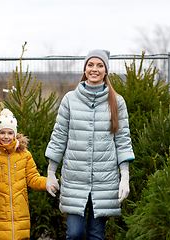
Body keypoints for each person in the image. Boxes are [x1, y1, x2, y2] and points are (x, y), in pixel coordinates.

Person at [45, 49, 135, 240]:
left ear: (106, 70)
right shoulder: (69, 99)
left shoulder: (117, 102)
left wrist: (124, 176)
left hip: (104, 179)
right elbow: (59, 135)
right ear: (85, 69)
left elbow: (123, 139)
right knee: (74, 233)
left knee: (96, 235)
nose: (95, 69)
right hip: (74, 178)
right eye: (90, 65)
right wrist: (51, 173)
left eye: (100, 65)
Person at [0, 108, 57, 240]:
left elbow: (33, 178)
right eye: (2, 132)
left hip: (20, 218)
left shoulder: (24, 155)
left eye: (10, 133)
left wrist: (47, 183)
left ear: (15, 134)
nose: (6, 136)